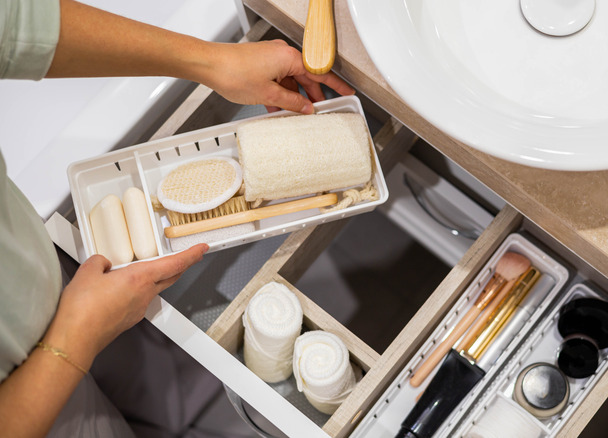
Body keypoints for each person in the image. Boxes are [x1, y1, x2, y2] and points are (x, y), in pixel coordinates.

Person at [0, 0, 355, 436]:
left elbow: (15, 24)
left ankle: (168, 410)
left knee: (139, 374)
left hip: (42, 283)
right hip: (36, 404)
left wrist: (213, 60)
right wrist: (79, 335)